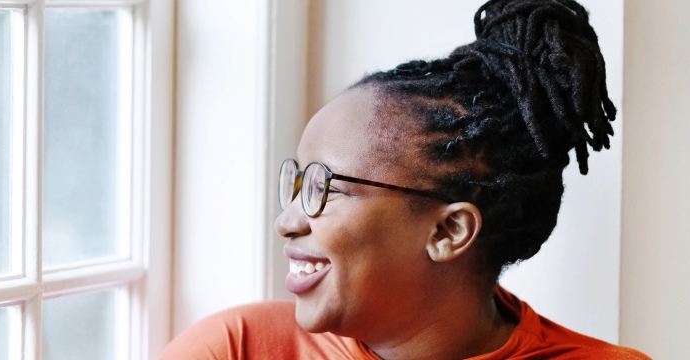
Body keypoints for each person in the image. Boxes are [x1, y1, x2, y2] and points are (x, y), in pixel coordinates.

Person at [160, 0, 650, 358]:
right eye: (298, 180)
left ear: (447, 231)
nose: (286, 222)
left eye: (325, 188)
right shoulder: (235, 348)